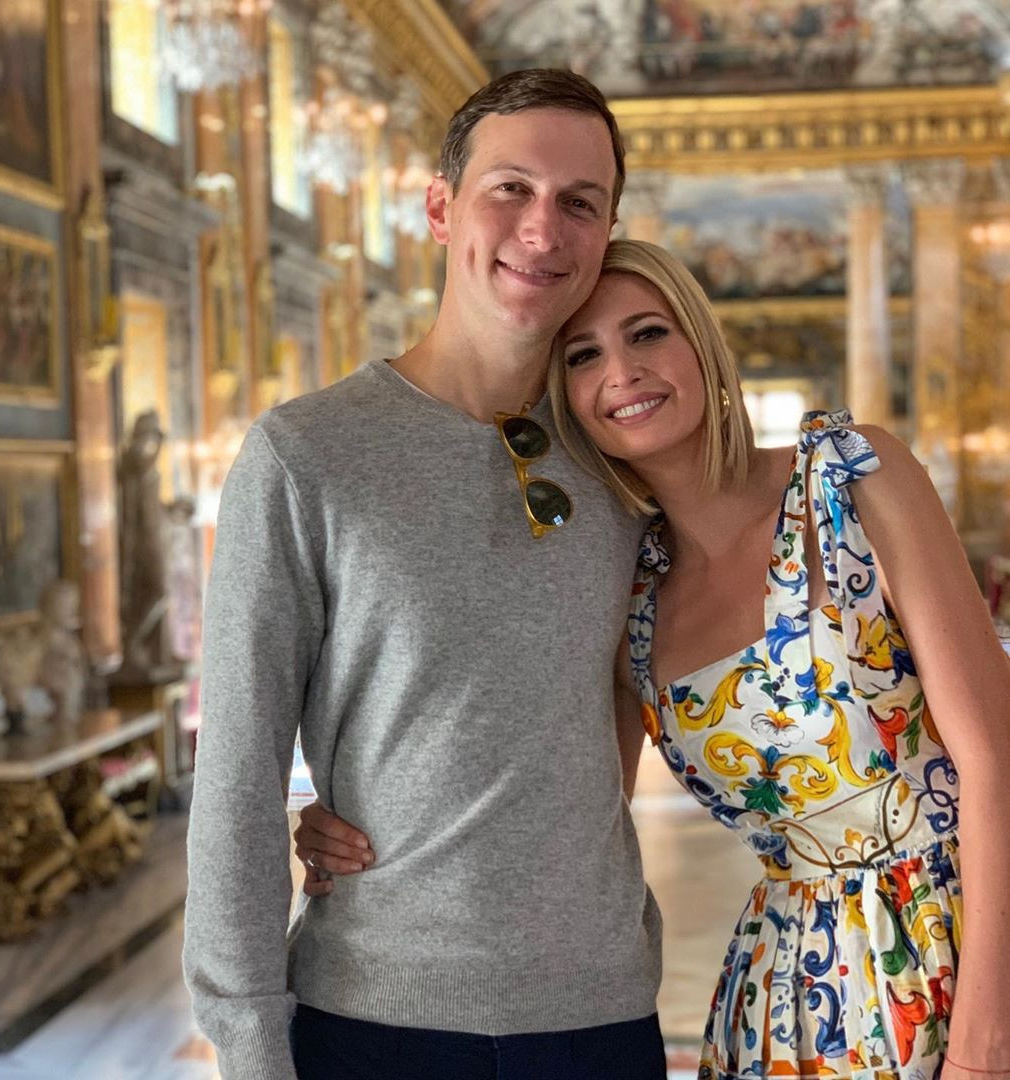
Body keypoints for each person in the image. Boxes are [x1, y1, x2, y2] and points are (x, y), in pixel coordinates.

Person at [299, 239, 1010, 1078]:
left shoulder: (853, 479)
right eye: (582, 355)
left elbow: (995, 758)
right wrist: (364, 826)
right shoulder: (632, 592)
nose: (622, 372)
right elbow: (562, 807)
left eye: (647, 333)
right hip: (791, 1001)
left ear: (701, 344)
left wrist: (984, 1043)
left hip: (967, 947)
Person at [184, 72, 668, 1080]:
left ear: (607, 232)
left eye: (580, 202)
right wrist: (250, 1049)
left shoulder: (627, 461)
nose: (543, 229)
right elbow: (236, 779)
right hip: (373, 1018)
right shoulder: (305, 456)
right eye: (511, 189)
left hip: (601, 1016)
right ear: (441, 208)